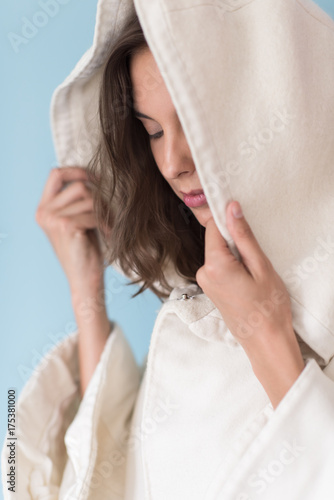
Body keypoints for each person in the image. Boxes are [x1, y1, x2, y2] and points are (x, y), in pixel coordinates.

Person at [2, 1, 334, 499]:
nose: (173, 161)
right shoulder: (195, 309)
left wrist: (265, 334)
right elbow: (104, 480)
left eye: (196, 124)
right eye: (153, 131)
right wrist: (86, 289)